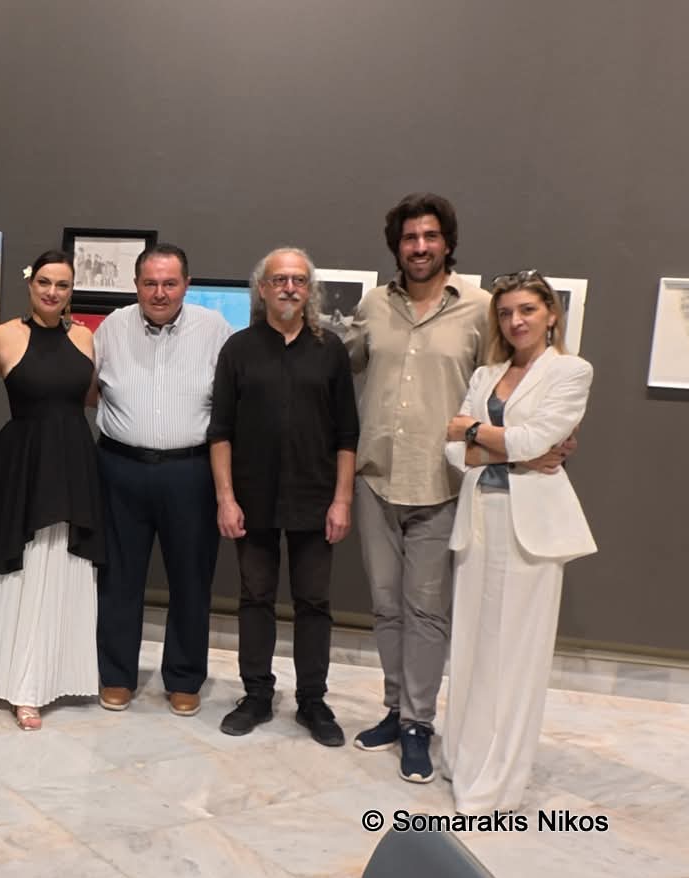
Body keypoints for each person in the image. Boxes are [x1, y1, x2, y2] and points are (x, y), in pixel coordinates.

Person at [344, 193, 571, 782]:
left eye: (430, 237)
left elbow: (513, 383)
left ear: (447, 243)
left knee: (425, 612)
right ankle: (394, 708)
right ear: (396, 246)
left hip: (442, 484)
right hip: (375, 480)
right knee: (386, 607)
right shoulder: (373, 306)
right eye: (409, 238)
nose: (419, 247)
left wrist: (548, 438)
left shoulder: (479, 308)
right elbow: (338, 368)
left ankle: (418, 723)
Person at [441, 269, 596, 814]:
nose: (516, 321)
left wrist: (473, 432)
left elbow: (532, 438)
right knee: (472, 644)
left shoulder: (571, 371)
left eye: (527, 310)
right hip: (479, 518)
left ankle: (497, 779)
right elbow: (452, 453)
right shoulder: (487, 374)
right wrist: (508, 448)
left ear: (550, 314)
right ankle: (462, 757)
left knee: (515, 656)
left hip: (530, 529)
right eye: (506, 313)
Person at [209, 248, 358, 746]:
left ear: (309, 290)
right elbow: (220, 432)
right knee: (255, 599)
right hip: (252, 499)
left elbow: (348, 434)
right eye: (279, 280)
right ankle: (256, 695)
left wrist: (342, 500)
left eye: (298, 280)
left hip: (316, 500)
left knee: (313, 602)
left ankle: (313, 701)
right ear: (263, 289)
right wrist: (226, 499)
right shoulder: (238, 350)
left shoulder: (330, 350)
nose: (289, 287)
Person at [90, 242, 230, 716]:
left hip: (190, 471)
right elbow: (90, 390)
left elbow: (231, 402)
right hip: (120, 468)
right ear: (135, 285)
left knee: (191, 578)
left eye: (170, 283)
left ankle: (184, 678)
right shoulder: (112, 327)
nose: (159, 293)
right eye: (150, 283)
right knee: (118, 578)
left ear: (186, 285)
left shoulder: (214, 330)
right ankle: (116, 675)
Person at [0, 249, 103, 730]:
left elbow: (92, 398)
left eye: (62, 285)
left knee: (63, 566)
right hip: (21, 464)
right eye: (44, 282)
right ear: (30, 285)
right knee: (24, 568)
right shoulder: (3, 335)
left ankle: (57, 674)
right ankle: (21, 682)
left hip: (73, 461)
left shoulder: (85, 337)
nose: (52, 291)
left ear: (71, 291)